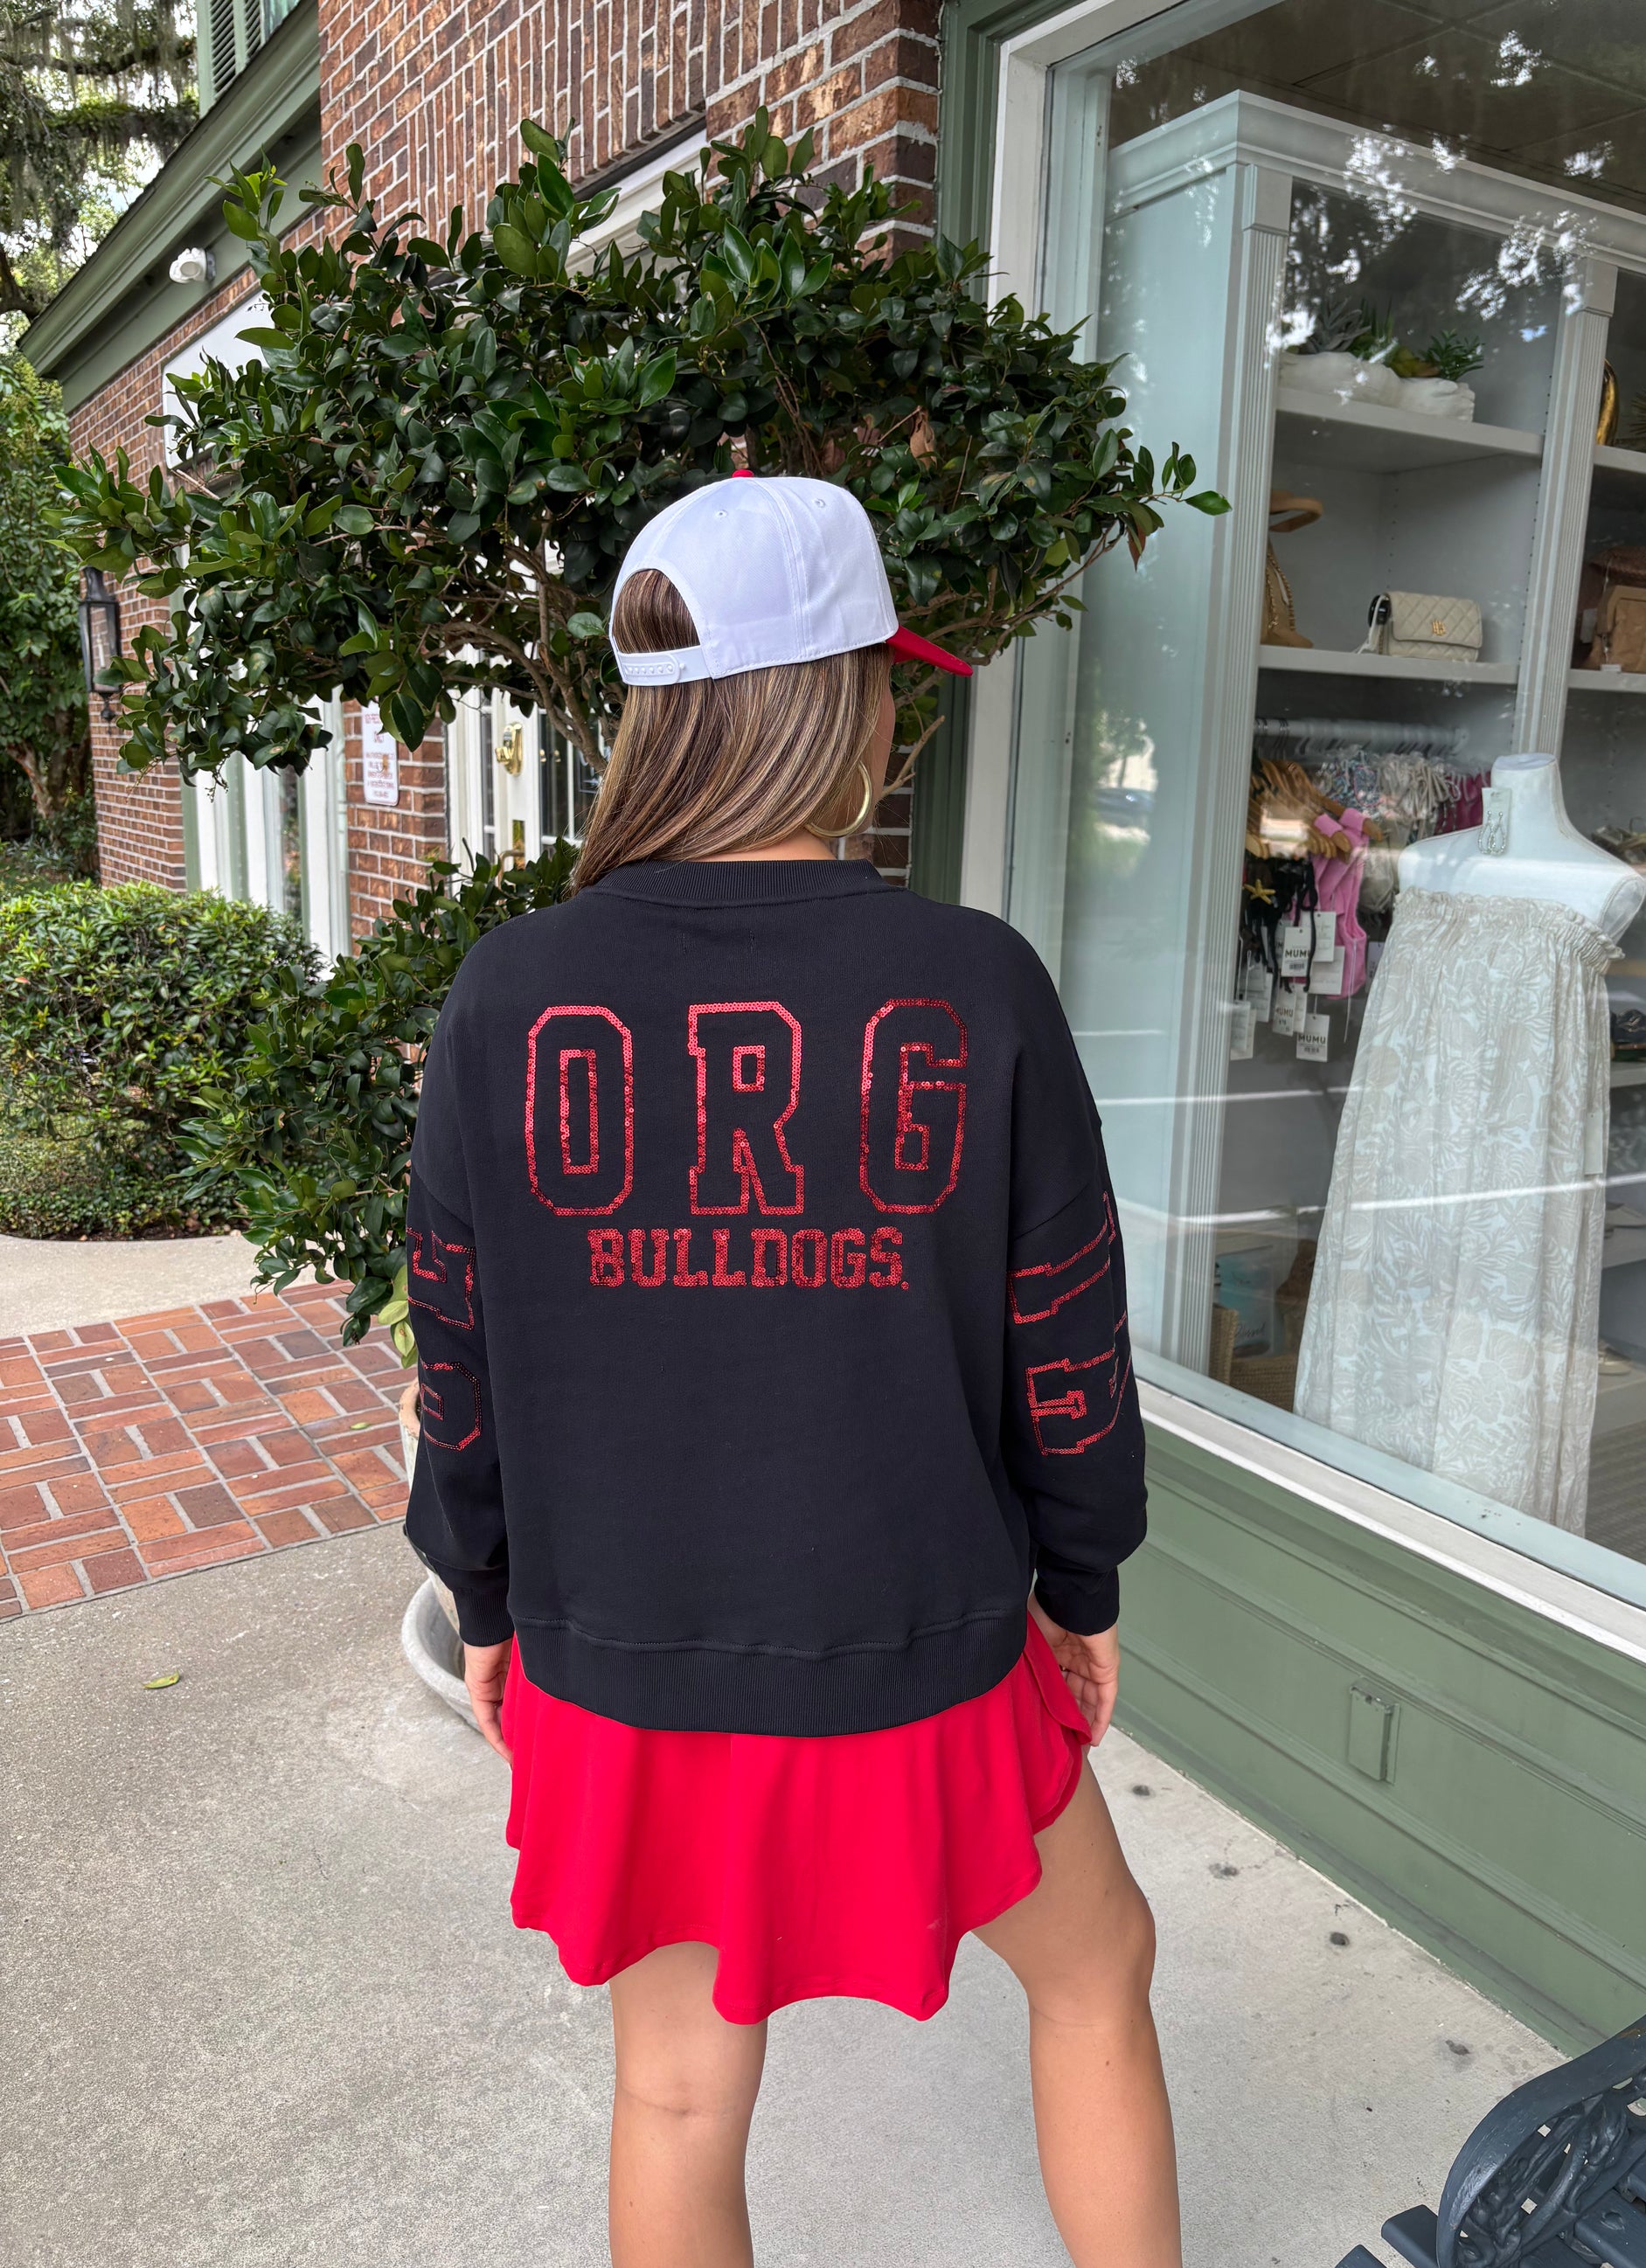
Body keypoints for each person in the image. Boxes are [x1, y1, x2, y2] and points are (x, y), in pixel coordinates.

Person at [404, 474, 1182, 2268]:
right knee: (1098, 1968)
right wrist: (1081, 1580)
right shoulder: (970, 980)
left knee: (676, 2092)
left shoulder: (505, 994)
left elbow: (461, 1357)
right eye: (884, 680)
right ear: (842, 698)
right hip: (921, 1648)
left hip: (624, 1661)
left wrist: (487, 1602)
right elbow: (1067, 1333)